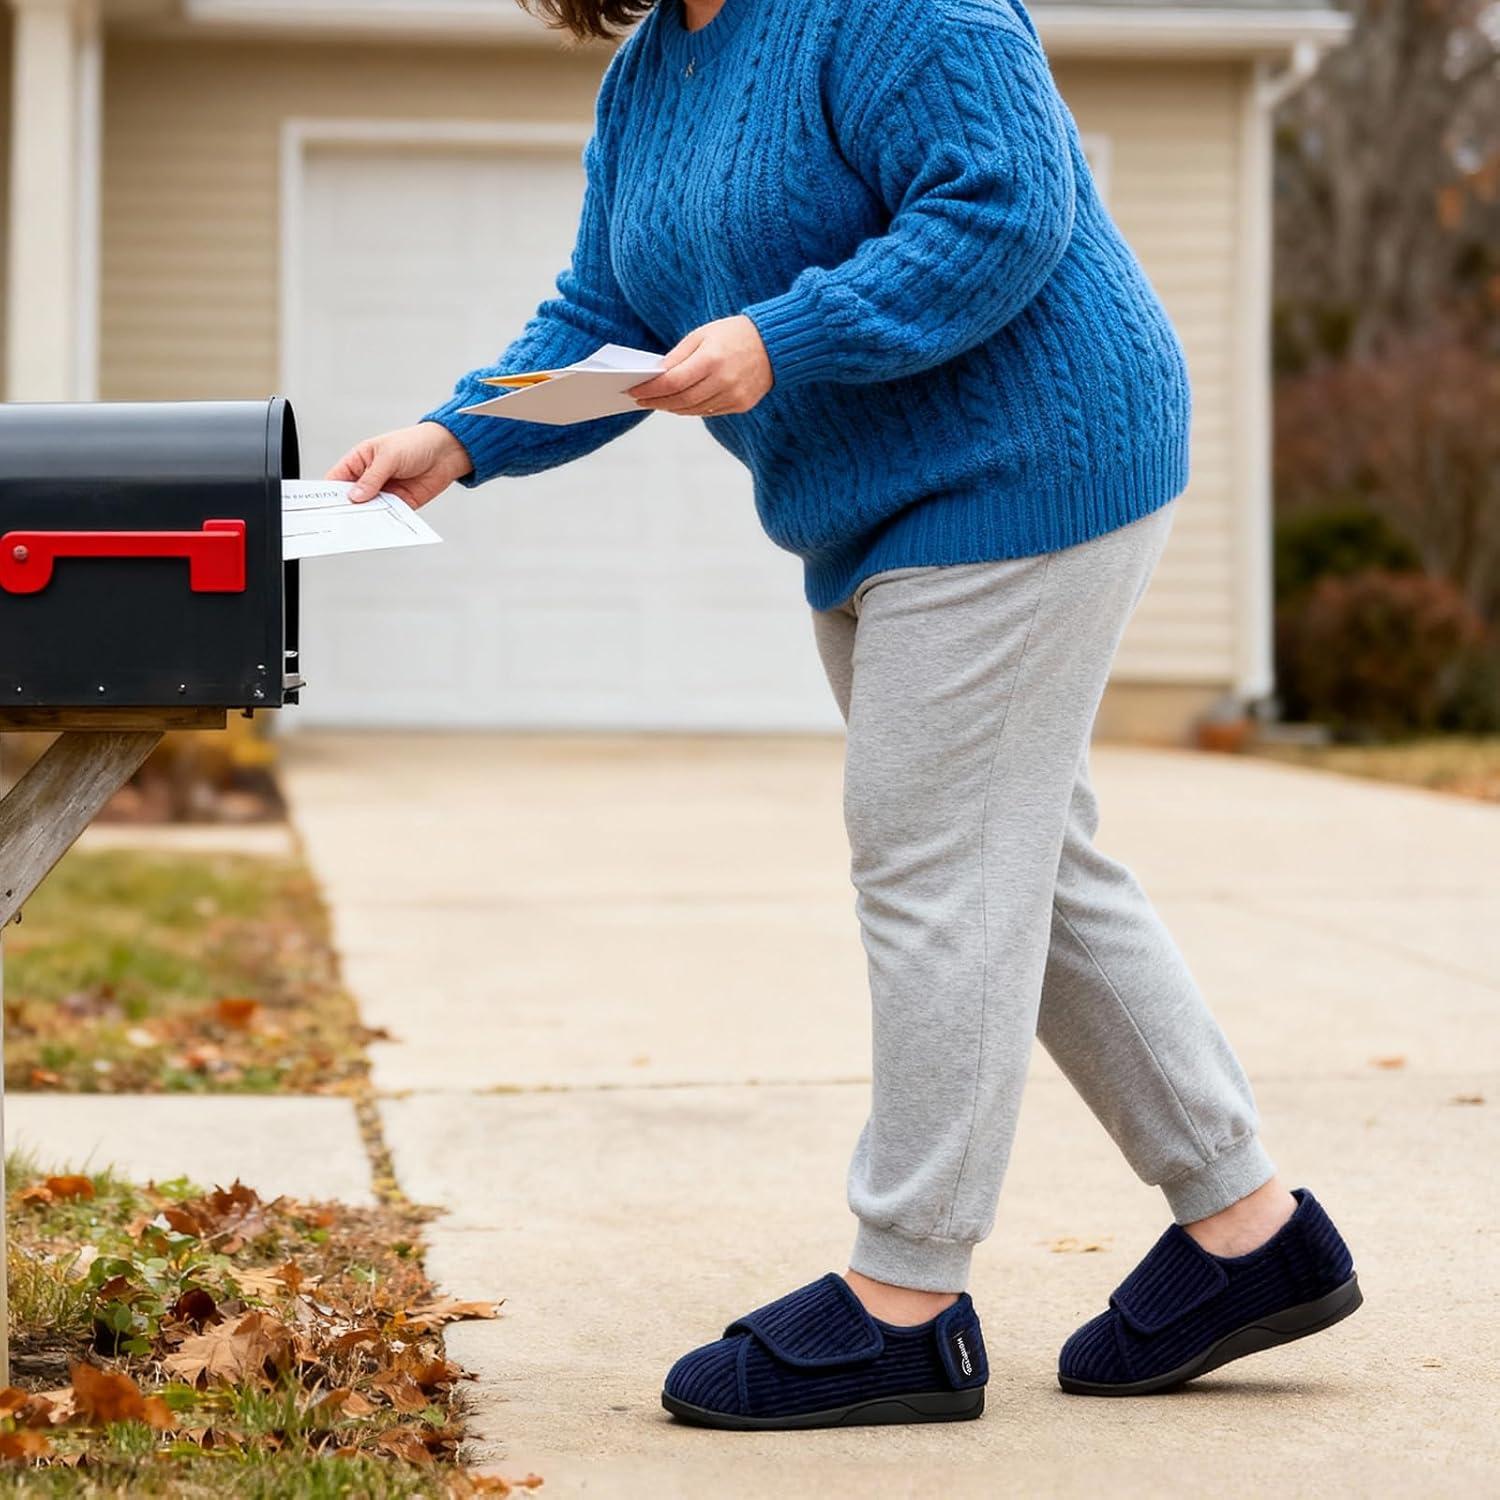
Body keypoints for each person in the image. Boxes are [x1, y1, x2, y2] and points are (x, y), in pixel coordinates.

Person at [330, 0, 1362, 1430]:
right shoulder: (652, 76)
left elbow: (1002, 209)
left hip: (1032, 459)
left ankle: (906, 1300)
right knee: (1024, 864)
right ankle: (1251, 1237)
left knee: (932, 860)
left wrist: (780, 336)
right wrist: (460, 432)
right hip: (876, 503)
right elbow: (606, 312)